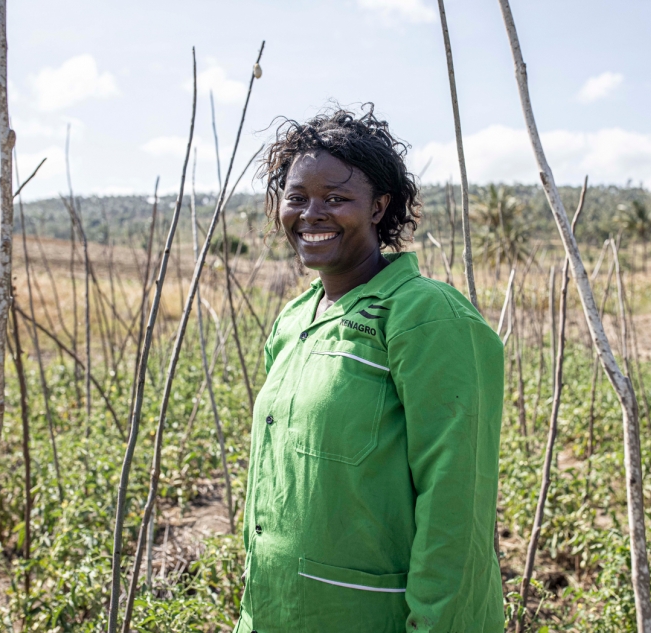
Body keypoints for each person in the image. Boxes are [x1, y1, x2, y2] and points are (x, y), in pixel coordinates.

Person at [233, 105, 505, 633]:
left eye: (336, 198)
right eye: (297, 198)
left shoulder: (426, 315)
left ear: (379, 207)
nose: (312, 213)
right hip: (277, 612)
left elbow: (457, 501)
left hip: (370, 615)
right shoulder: (296, 318)